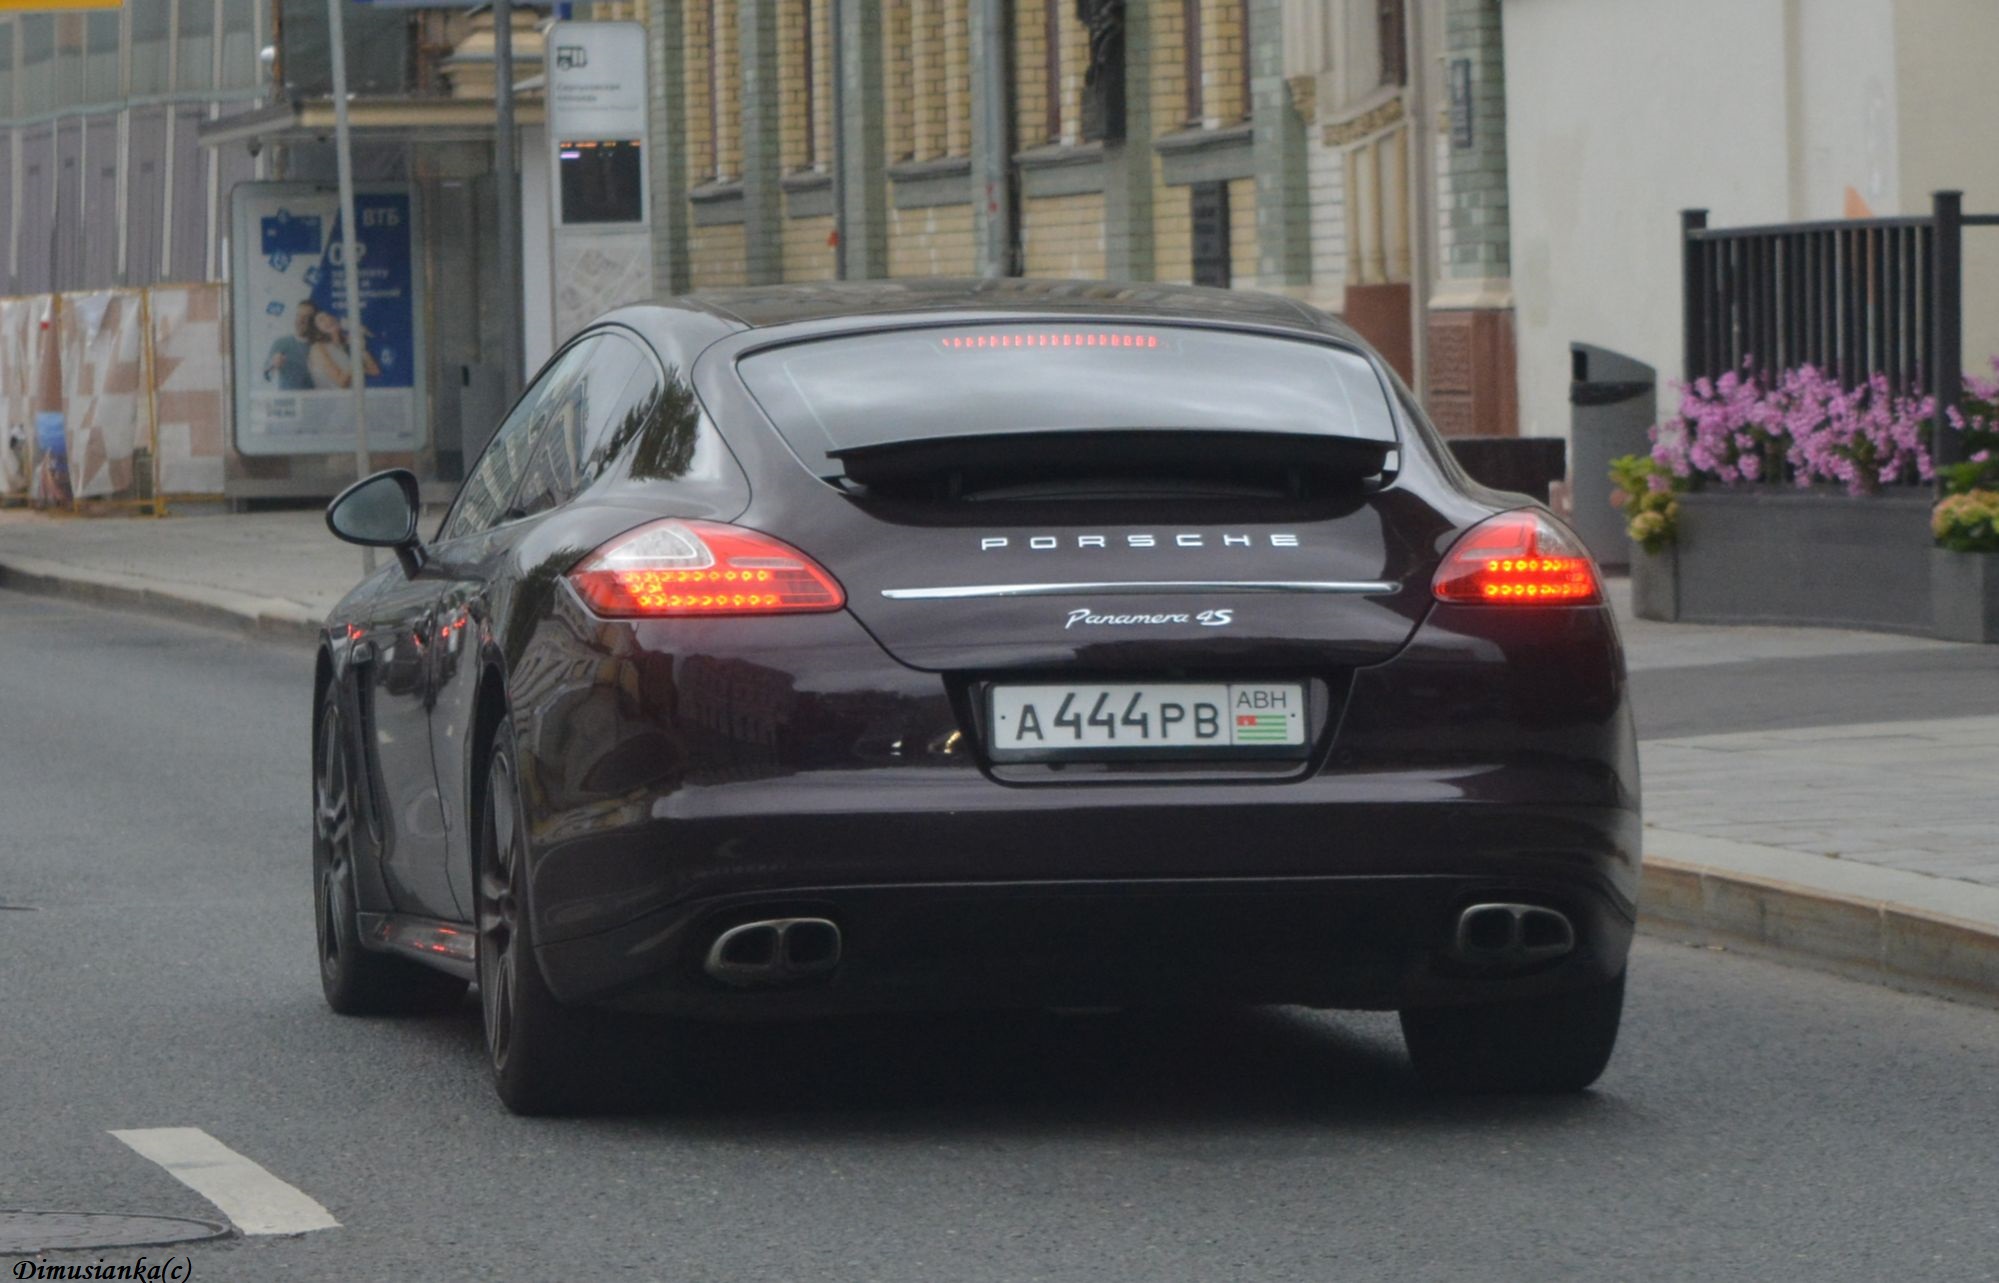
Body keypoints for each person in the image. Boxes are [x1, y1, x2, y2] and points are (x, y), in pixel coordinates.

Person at [307, 309, 381, 390]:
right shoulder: (318, 348)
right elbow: (341, 382)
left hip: (355, 394)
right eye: (321, 319)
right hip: (332, 396)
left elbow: (375, 371)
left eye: (329, 315)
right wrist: (357, 365)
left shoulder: (346, 343)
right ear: (316, 329)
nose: (328, 319)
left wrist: (361, 349)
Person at [263, 301, 318, 390]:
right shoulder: (281, 342)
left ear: (314, 321)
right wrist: (273, 365)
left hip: (314, 397)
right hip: (288, 398)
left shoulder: (319, 345)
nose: (300, 320)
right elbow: (266, 376)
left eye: (306, 317)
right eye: (298, 315)